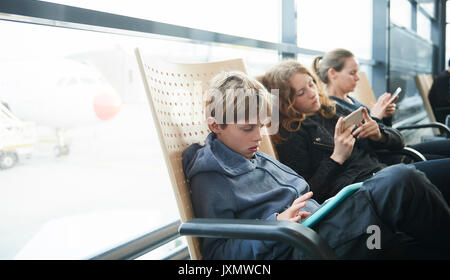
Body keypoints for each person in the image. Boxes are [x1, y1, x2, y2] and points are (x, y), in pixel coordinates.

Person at [182, 70, 450, 260]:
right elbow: (217, 253)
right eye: (247, 128)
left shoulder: (247, 153)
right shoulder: (212, 177)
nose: (258, 137)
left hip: (323, 225)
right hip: (304, 247)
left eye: (262, 126)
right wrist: (274, 225)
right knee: (400, 182)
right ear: (215, 125)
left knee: (406, 225)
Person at [262, 60, 450, 205]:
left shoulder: (332, 109)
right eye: (301, 92)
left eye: (311, 84)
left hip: (382, 173)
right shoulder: (292, 135)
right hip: (363, 188)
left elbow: (399, 142)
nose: (312, 93)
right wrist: (336, 158)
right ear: (287, 102)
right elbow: (309, 192)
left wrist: (378, 135)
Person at [311, 48, 450, 160]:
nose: (358, 78)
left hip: (397, 150)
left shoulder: (351, 101)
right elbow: (363, 147)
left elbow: (384, 133)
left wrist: (385, 116)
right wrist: (376, 117)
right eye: (352, 73)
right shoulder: (332, 110)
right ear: (333, 73)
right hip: (389, 159)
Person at [428, 59, 450, 124]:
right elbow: (443, 100)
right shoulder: (445, 78)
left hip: (441, 110)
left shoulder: (445, 76)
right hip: (441, 112)